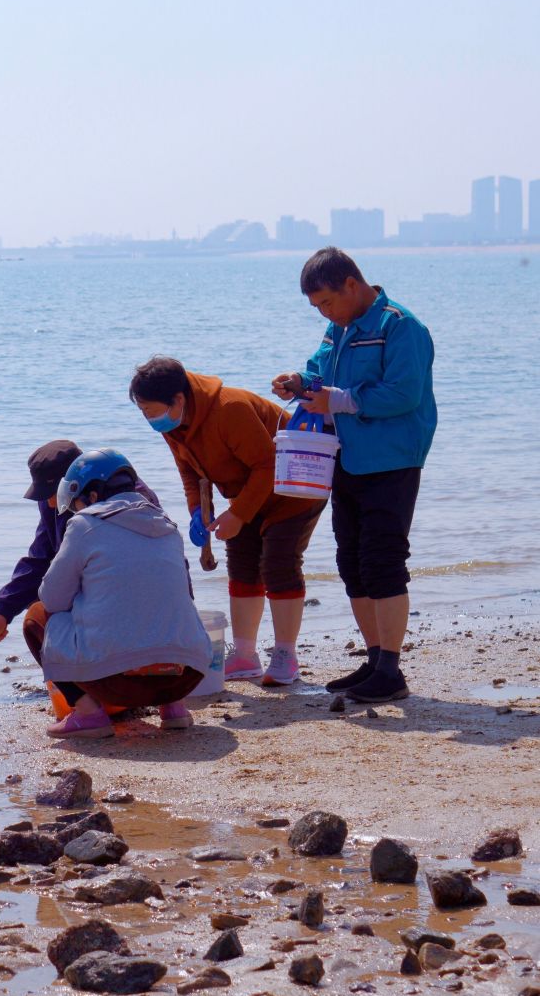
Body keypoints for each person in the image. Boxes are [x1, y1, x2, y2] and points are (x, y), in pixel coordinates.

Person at [272, 247, 436, 703]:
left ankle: (391, 670)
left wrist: (338, 400)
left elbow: (404, 394)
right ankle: (375, 659)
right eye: (317, 308)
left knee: (383, 560)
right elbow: (318, 372)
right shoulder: (337, 329)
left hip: (393, 460)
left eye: (327, 302)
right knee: (352, 562)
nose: (324, 313)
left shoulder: (401, 327)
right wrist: (298, 382)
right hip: (346, 458)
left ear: (351, 284)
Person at [130, 356, 326, 686]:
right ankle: (246, 656)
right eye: (143, 411)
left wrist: (237, 514)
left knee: (278, 563)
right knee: (241, 563)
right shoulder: (174, 423)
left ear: (178, 399)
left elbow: (268, 466)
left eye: (150, 410)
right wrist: (198, 510)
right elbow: (189, 471)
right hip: (250, 492)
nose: (149, 419)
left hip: (295, 487)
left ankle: (285, 655)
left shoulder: (228, 407)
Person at [24, 449, 211, 739]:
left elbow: (52, 599)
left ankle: (87, 713)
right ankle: (173, 709)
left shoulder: (84, 525)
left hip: (119, 683)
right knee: (162, 606)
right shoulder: (167, 525)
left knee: (37, 616)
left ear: (94, 496)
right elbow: (185, 591)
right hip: (186, 676)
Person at [0, 439, 159, 649]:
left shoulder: (135, 503)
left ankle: (76, 674)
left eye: (52, 494)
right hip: (107, 603)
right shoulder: (54, 504)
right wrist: (2, 610)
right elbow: (40, 558)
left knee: (39, 613)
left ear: (76, 483)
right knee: (39, 603)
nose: (49, 503)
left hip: (128, 602)